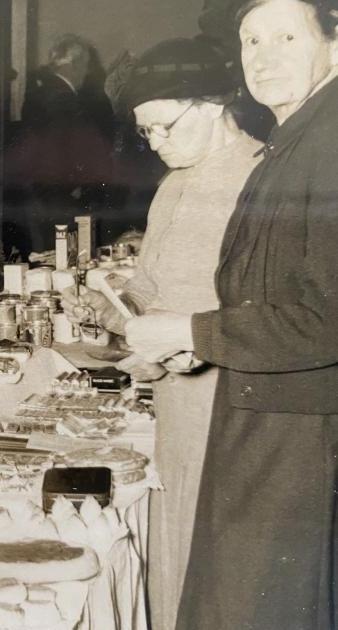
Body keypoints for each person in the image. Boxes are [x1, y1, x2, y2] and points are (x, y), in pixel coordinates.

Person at [123, 1, 338, 627]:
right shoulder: (293, 138)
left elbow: (324, 316)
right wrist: (185, 338)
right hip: (256, 412)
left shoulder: (320, 145)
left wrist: (193, 332)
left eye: (286, 36)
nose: (264, 56)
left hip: (285, 426)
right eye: (251, 40)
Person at [59, 37, 262, 630]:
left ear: (211, 105)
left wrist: (175, 340)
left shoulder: (259, 178)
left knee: (221, 564)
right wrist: (112, 306)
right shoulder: (176, 181)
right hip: (177, 403)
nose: (156, 144)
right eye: (146, 133)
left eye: (164, 128)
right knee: (175, 552)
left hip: (231, 403)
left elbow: (261, 311)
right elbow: (151, 284)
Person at [18, 34, 115, 252]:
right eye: (86, 65)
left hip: (45, 193)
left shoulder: (43, 92)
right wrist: (77, 185)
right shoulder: (62, 97)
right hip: (61, 196)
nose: (87, 72)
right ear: (75, 64)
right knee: (64, 255)